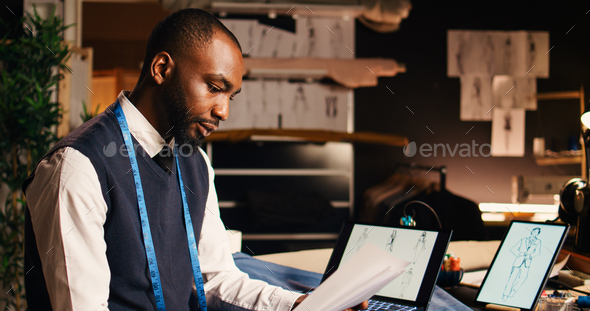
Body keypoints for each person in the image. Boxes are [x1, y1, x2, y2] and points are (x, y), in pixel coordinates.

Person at [23, 8, 368, 311]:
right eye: (215, 88)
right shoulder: (78, 166)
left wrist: (297, 304)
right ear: (161, 68)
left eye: (231, 95)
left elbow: (215, 280)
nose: (224, 111)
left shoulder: (195, 163)